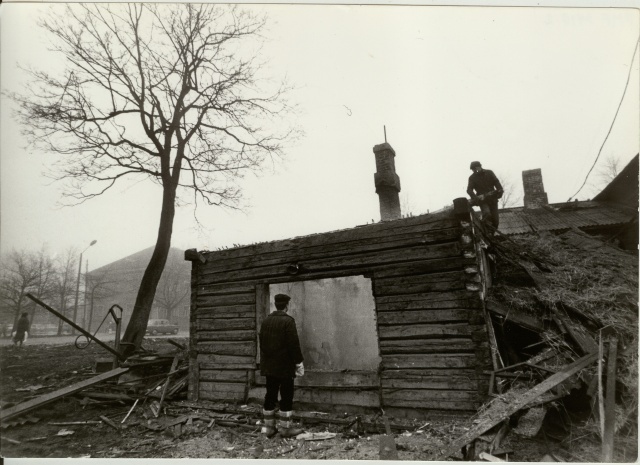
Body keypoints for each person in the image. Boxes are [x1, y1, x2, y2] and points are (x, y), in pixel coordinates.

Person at [259, 293, 305, 438]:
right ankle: (285, 429)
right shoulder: (288, 321)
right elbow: (293, 344)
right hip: (284, 367)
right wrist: (298, 362)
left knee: (270, 395)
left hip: (270, 367)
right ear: (286, 306)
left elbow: (262, 343)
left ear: (275, 305)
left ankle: (269, 428)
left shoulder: (266, 321)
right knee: (286, 396)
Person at [466, 161, 504, 232]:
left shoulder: (489, 172)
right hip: (482, 200)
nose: (474, 171)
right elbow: (469, 190)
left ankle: (491, 235)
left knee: (496, 221)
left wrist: (500, 191)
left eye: (474, 169)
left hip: (493, 199)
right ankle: (485, 231)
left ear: (478, 167)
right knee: (487, 213)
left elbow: (496, 182)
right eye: (472, 170)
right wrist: (476, 198)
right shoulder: (472, 178)